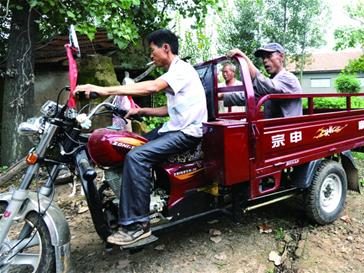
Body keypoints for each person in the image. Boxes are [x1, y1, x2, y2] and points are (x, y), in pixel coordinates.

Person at [74, 29, 208, 245]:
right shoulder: (175, 72)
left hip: (187, 132)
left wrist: (103, 89)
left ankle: (137, 225)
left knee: (136, 157)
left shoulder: (181, 69)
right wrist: (141, 112)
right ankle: (143, 199)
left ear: (166, 48)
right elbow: (171, 109)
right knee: (129, 145)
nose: (151, 56)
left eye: (152, 50)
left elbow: (153, 87)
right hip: (174, 128)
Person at [222, 43, 302, 118]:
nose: (265, 60)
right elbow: (250, 96)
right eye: (263, 58)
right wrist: (222, 96)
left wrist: (243, 57)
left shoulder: (289, 79)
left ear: (281, 56)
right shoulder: (273, 80)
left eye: (269, 56)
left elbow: (265, 84)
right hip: (272, 128)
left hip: (287, 129)